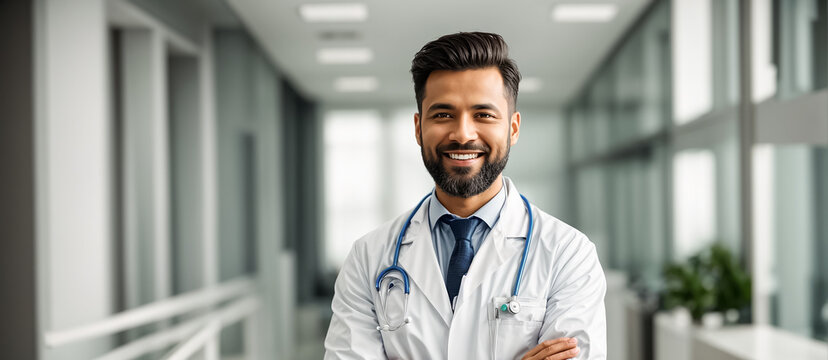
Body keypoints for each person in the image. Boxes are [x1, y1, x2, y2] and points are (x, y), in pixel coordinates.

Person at [324, 32, 606, 360]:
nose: (462, 134)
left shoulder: (569, 255)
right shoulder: (369, 258)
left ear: (513, 128)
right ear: (418, 128)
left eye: (483, 115)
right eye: (443, 114)